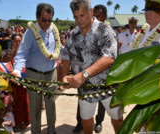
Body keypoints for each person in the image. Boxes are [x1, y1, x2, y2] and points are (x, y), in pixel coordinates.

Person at [61, 0, 123, 134]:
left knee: (117, 117)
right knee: (85, 118)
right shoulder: (73, 35)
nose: (79, 20)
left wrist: (83, 75)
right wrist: (64, 76)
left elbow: (109, 57)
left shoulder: (105, 30)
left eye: (82, 15)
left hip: (107, 86)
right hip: (85, 89)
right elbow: (66, 56)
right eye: (75, 17)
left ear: (91, 11)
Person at [11, 3, 62, 134]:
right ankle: (36, 132)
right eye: (43, 20)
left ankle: (51, 130)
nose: (47, 23)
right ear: (36, 17)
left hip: (51, 74)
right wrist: (16, 71)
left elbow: (59, 49)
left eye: (50, 20)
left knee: (51, 104)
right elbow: (22, 54)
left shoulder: (53, 30)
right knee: (35, 107)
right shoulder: (30, 33)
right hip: (34, 75)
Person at [72, 4, 109, 134]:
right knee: (83, 101)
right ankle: (80, 123)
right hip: (84, 77)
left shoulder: (107, 32)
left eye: (99, 16)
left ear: (105, 16)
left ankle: (98, 122)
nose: (95, 18)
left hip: (102, 77)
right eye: (95, 15)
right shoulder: (81, 32)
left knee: (101, 101)